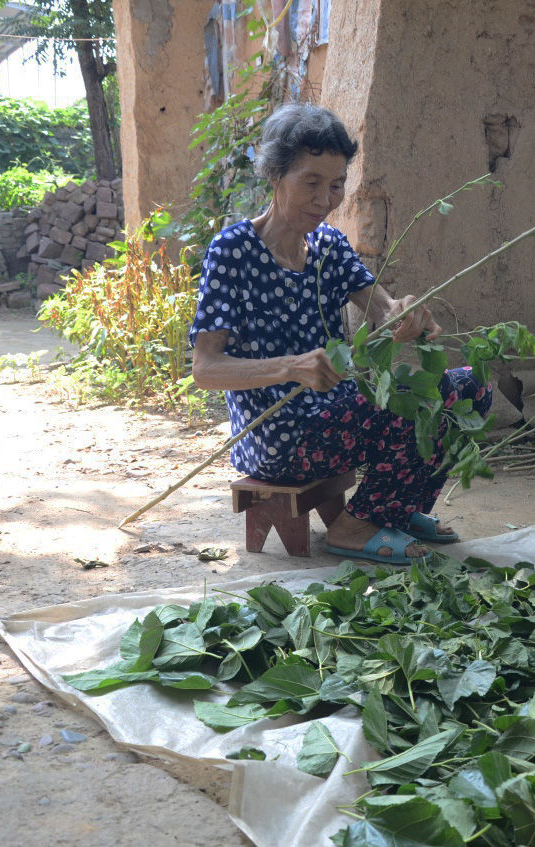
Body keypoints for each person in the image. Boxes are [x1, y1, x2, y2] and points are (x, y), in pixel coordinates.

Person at [189, 103, 492, 565]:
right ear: (275, 175)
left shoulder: (329, 246)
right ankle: (353, 528)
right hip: (277, 435)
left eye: (335, 185)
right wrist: (291, 368)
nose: (324, 198)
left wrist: (406, 313)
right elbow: (206, 370)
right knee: (394, 408)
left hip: (337, 414)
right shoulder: (232, 251)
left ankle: (397, 510)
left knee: (469, 388)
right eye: (310, 182)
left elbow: (383, 308)